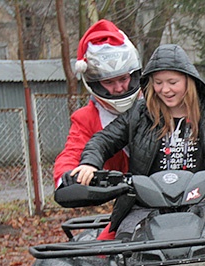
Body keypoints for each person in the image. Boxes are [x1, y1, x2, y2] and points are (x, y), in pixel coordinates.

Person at [72, 44, 205, 237]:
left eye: (172, 82)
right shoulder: (139, 114)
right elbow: (103, 140)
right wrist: (90, 163)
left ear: (189, 80)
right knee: (120, 250)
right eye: (158, 83)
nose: (165, 90)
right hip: (145, 204)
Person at [53, 20, 142, 189]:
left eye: (123, 78)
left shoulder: (158, 104)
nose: (119, 88)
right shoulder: (87, 119)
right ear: (95, 83)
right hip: (127, 200)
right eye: (108, 82)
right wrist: (69, 177)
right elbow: (73, 152)